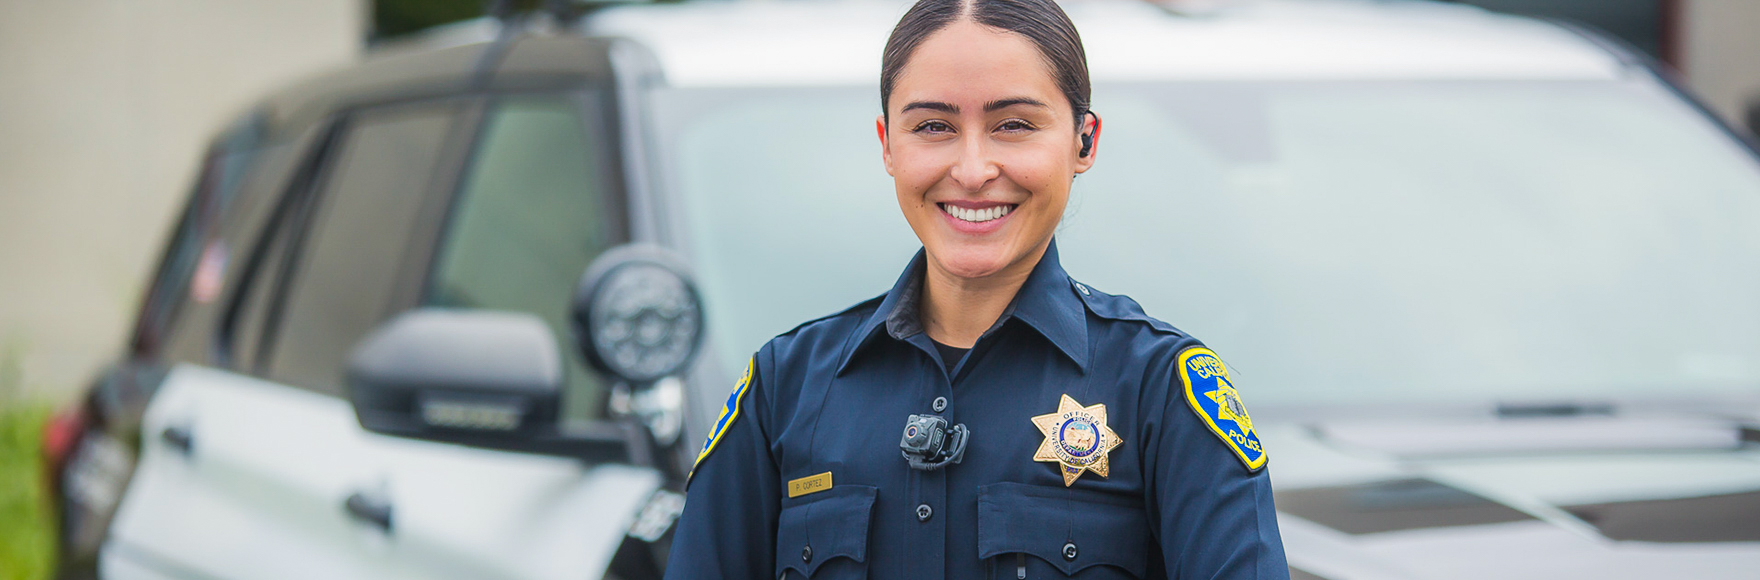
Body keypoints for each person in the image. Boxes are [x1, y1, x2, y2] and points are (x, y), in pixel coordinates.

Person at [665, 0, 1288, 577]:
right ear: (887, 145)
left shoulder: (1160, 392)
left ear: (1084, 141)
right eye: (933, 126)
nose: (971, 169)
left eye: (1014, 124)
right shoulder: (786, 387)